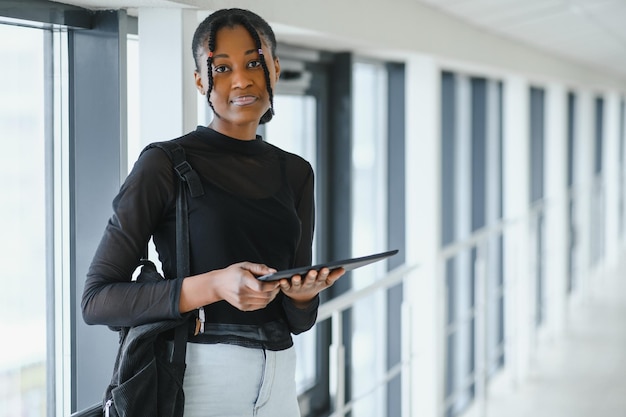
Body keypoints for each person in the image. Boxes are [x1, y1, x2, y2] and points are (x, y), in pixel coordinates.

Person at [81, 7, 345, 417]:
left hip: (279, 374)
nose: (241, 79)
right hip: (197, 377)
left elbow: (296, 321)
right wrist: (215, 285)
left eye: (254, 63)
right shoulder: (164, 163)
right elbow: (97, 300)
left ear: (274, 68)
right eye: (221, 68)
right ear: (200, 80)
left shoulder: (295, 172)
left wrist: (303, 295)